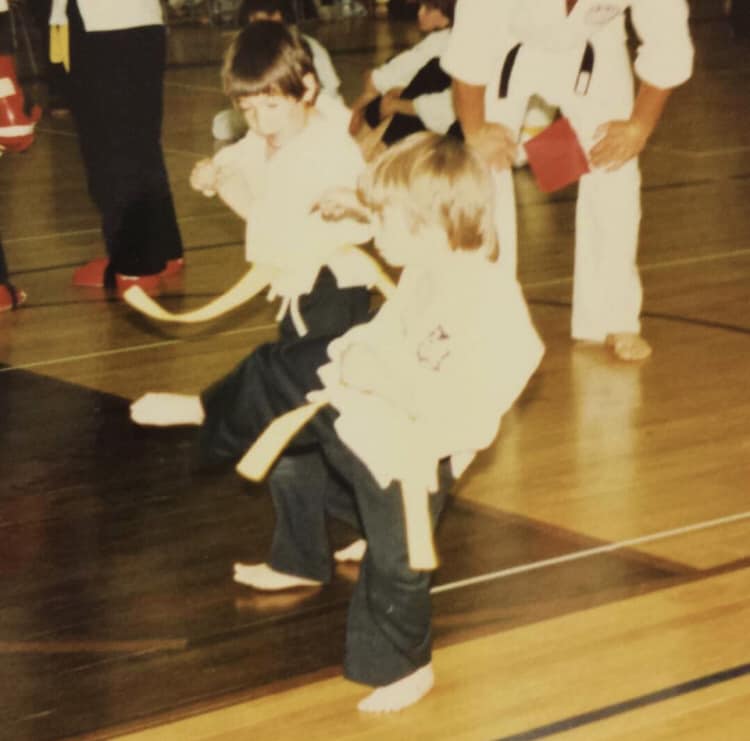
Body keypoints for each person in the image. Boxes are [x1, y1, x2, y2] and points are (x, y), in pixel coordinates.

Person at [131, 133, 544, 713]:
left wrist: (390, 379)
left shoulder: (491, 306)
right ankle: (212, 411)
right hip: (363, 403)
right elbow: (388, 320)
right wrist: (359, 349)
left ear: (429, 223)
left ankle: (405, 666)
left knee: (396, 563)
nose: (374, 231)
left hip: (413, 451)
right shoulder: (431, 262)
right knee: (281, 367)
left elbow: (471, 406)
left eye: (385, 220)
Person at [442, 0, 694, 361]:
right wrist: (474, 131)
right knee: (487, 164)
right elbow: (470, 49)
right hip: (507, 42)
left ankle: (614, 316)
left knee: (617, 164)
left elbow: (668, 41)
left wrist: (639, 127)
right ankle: (486, 316)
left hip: (593, 41)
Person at [190, 21, 373, 343]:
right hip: (298, 284)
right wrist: (212, 172)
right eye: (248, 110)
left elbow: (293, 232)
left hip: (334, 288)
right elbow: (241, 154)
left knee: (310, 374)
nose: (261, 120)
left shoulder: (328, 149)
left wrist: (242, 201)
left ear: (307, 88)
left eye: (271, 106)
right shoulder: (273, 131)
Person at [48, 0, 185, 292]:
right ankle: (162, 248)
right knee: (140, 141)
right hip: (142, 24)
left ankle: (136, 265)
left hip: (102, 30)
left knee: (111, 148)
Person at [212, 0, 342, 142]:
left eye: (264, 22)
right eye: (253, 24)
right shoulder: (249, 49)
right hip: (268, 105)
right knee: (221, 125)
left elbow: (331, 90)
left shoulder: (307, 45)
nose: (260, 30)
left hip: (306, 104)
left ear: (280, 18)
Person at [348, 0, 458, 150]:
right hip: (429, 109)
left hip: (442, 124)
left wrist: (396, 102)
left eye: (427, 8)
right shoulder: (442, 39)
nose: (419, 13)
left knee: (386, 98)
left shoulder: (445, 43)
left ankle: (374, 150)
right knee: (388, 90)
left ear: (446, 15)